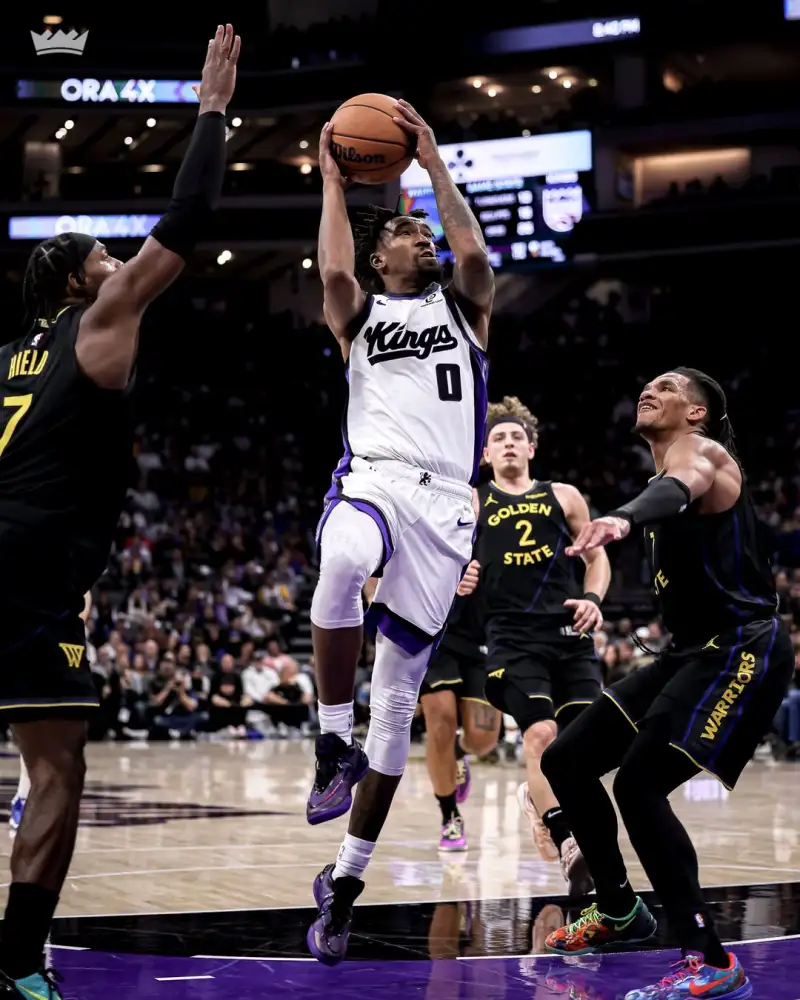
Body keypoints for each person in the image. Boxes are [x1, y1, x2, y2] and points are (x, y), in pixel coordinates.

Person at [0, 24, 239, 999]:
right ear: (71, 280)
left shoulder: (6, 362)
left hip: (27, 552)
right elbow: (187, 219)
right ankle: (18, 965)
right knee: (56, 768)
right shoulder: (100, 320)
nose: (115, 260)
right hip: (31, 568)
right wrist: (213, 111)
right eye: (101, 253)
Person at [306, 98, 494, 965]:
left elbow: (477, 252)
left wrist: (433, 165)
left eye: (426, 235)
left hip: (448, 507)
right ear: (380, 253)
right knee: (341, 556)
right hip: (378, 477)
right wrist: (334, 184)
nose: (422, 240)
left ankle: (344, 884)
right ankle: (327, 736)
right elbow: (333, 276)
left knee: (399, 727)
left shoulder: (466, 311)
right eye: (408, 234)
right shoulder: (358, 317)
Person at [541, 368, 792, 1000]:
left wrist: (621, 520)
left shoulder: (703, 455)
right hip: (688, 654)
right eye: (648, 384)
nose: (650, 389)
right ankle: (620, 908)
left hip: (739, 648)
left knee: (639, 781)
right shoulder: (665, 473)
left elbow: (684, 485)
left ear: (698, 412)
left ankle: (710, 959)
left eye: (669, 386)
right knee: (567, 760)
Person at [474, 396, 610, 895]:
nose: (508, 444)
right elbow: (444, 563)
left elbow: (597, 559)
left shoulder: (566, 496)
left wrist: (593, 597)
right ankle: (565, 835)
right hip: (510, 639)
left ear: (531, 447)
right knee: (541, 734)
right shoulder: (473, 502)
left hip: (568, 635)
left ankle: (537, 799)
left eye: (516, 437)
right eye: (498, 439)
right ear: (485, 454)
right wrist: (460, 579)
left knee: (584, 747)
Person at [419, 556, 500, 852]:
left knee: (483, 740)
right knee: (440, 719)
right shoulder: (427, 513)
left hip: (482, 636)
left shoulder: (496, 518)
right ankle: (449, 815)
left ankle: (458, 751)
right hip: (432, 630)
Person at [9, 592, 92, 834]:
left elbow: (84, 603)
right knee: (33, 727)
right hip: (28, 646)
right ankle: (24, 795)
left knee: (63, 738)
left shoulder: (71, 574)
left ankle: (32, 797)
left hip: (63, 646)